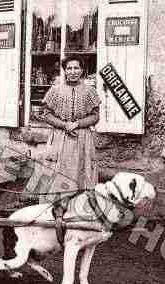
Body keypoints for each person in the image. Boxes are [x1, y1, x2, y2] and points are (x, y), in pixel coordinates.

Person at [37, 55, 100, 196]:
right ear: (64, 70)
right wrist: (64, 125)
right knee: (59, 173)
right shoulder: (55, 90)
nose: (73, 71)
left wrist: (77, 124)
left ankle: (81, 206)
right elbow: (46, 114)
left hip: (82, 137)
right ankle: (58, 210)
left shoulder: (90, 91)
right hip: (60, 137)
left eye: (76, 68)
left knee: (81, 172)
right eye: (69, 68)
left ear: (82, 70)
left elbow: (95, 116)